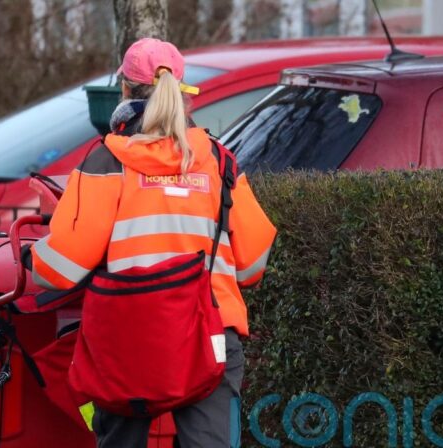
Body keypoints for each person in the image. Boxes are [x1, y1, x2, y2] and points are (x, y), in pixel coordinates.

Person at [28, 38, 277, 448]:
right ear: (182, 90)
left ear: (125, 90)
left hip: (129, 339)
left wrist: (30, 256)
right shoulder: (218, 161)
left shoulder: (107, 162)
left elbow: (62, 268)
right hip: (210, 333)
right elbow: (251, 265)